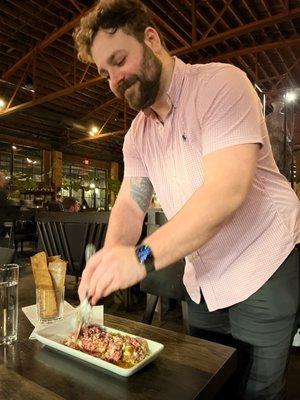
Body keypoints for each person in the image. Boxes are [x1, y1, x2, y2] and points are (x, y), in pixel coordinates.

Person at [74, 1, 300, 399]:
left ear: (151, 39)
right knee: (205, 383)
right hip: (204, 277)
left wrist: (139, 258)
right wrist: (112, 255)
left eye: (119, 59)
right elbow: (132, 201)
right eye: (105, 72)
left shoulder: (220, 85)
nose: (114, 79)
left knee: (256, 391)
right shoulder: (137, 136)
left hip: (262, 261)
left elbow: (225, 192)